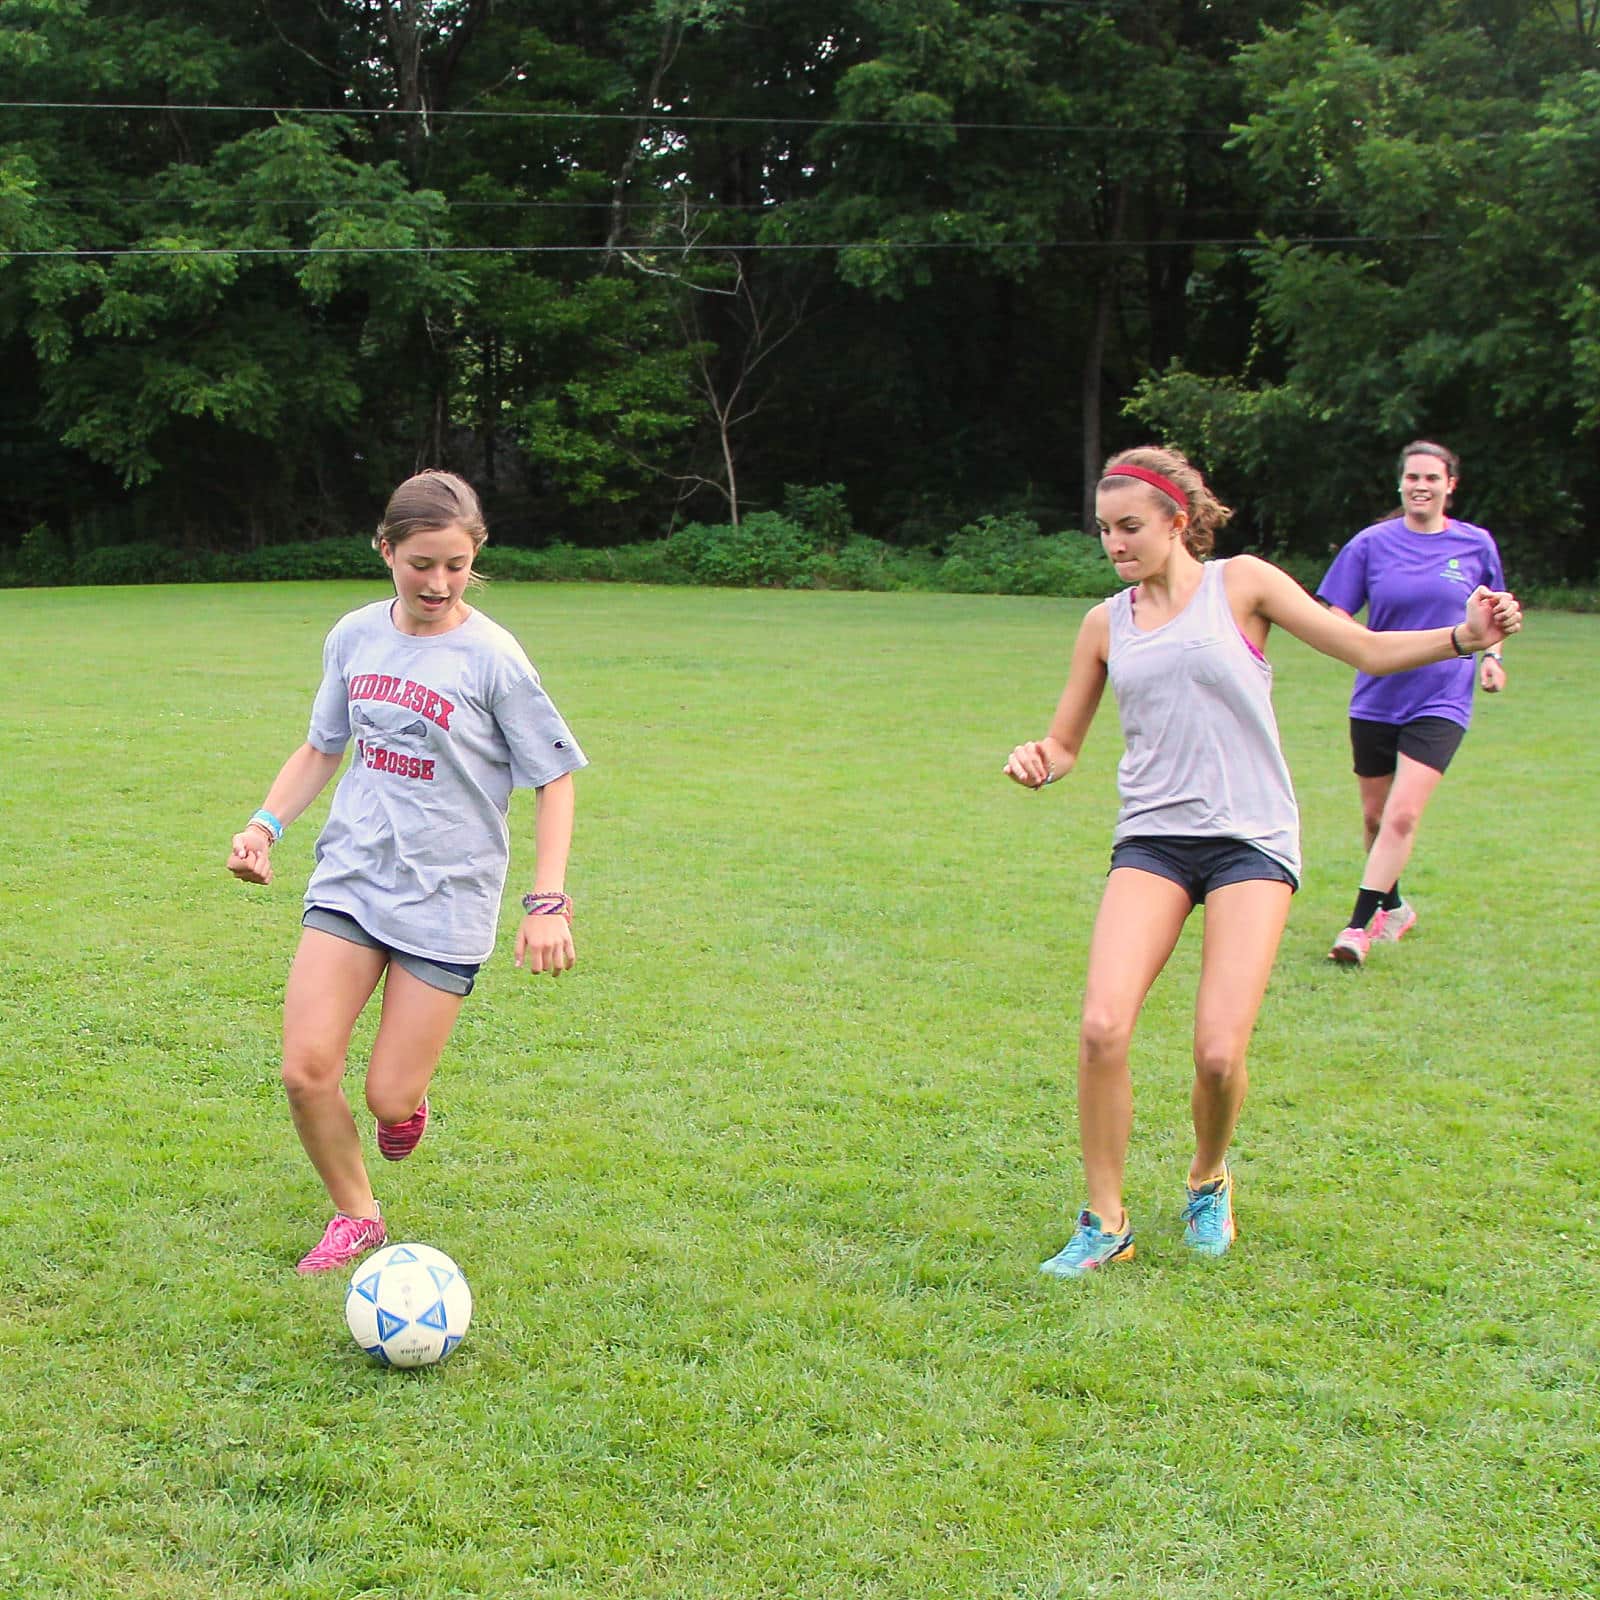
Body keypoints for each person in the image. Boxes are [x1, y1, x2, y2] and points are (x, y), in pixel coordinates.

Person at [1003, 445, 1519, 1278]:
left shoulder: (1241, 585)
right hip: (1155, 837)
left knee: (1217, 1052)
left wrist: (1466, 636)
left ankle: (1207, 1179)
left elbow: (1365, 650)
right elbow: (1065, 744)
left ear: (1178, 521)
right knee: (1101, 1027)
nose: (1115, 544)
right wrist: (1041, 758)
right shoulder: (1105, 623)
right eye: (1104, 529)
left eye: (1130, 526)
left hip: (1251, 839)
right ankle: (1105, 1222)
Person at [227, 470, 587, 1275]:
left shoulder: (493, 658)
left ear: (475, 558)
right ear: (386, 550)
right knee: (305, 1068)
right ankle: (357, 1216)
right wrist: (265, 824)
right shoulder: (355, 635)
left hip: (448, 898)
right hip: (353, 877)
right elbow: (325, 743)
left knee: (388, 1097)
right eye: (421, 562)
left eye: (456, 565)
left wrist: (548, 900)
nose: (438, 583)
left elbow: (554, 776)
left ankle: (403, 1104)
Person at [1318, 442, 1508, 965]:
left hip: (1443, 698)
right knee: (1376, 817)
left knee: (1402, 816)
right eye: (1411, 477)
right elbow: (1335, 611)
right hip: (1376, 697)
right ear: (1400, 483)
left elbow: (1493, 611)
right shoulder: (1370, 544)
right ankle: (1396, 906)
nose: (1420, 486)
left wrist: (1491, 656)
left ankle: (1357, 927)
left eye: (1431, 477)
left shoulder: (1475, 545)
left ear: (1451, 485)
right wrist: (1365, 645)